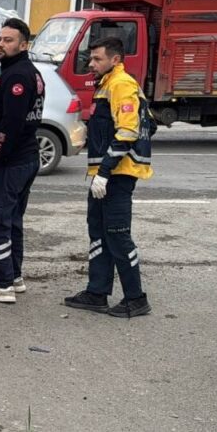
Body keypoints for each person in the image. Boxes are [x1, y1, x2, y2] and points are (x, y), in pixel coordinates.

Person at [64, 37, 153, 318]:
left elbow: (128, 131)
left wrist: (104, 172)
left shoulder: (121, 84)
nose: (91, 63)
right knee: (99, 232)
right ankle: (97, 292)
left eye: (97, 59)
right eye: (90, 58)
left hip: (116, 175)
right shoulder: (107, 84)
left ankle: (136, 298)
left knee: (117, 235)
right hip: (104, 174)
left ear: (115, 59)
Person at [0, 18, 44, 305]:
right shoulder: (23, 71)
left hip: (10, 162)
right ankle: (12, 275)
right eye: (0, 39)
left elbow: (11, 126)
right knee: (12, 221)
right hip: (23, 159)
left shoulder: (18, 76)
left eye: (8, 40)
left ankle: (2, 284)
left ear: (24, 45)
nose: (1, 44)